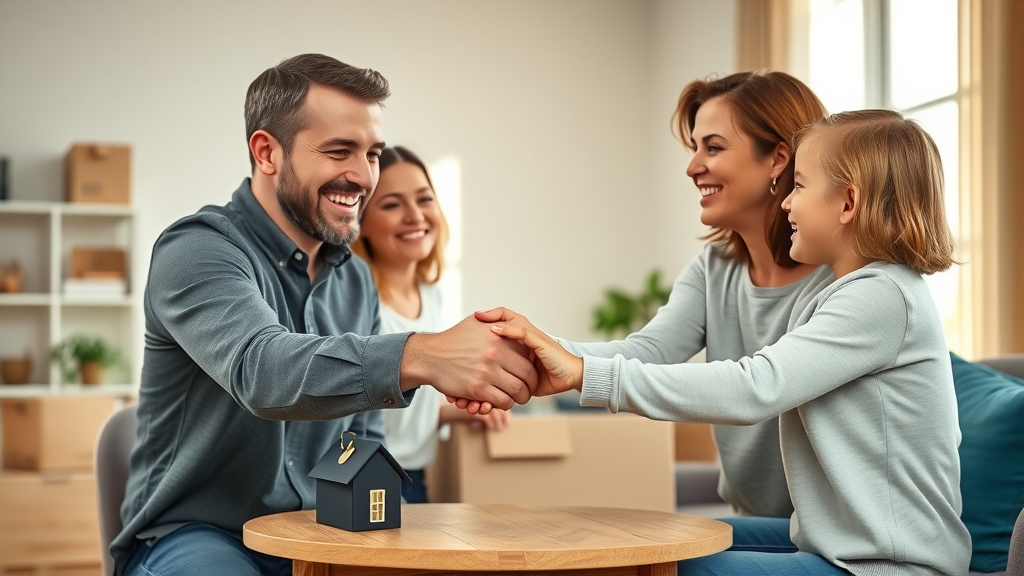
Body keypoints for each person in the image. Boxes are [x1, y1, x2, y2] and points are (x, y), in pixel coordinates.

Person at [486, 109, 971, 575]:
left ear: (847, 203)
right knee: (655, 537)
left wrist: (588, 374)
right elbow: (654, 350)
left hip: (885, 567)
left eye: (799, 186)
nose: (786, 203)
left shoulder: (881, 295)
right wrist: (548, 356)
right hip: (840, 547)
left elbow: (755, 386)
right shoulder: (850, 290)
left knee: (652, 565)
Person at [113, 54, 535, 576]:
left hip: (318, 535)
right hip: (198, 536)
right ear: (267, 152)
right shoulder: (198, 250)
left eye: (372, 153)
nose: (362, 176)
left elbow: (364, 436)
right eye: (340, 151)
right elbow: (263, 370)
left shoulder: (354, 279)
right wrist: (423, 354)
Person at [458, 71, 833, 519]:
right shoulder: (714, 271)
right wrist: (530, 347)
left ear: (777, 159)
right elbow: (649, 351)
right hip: (753, 520)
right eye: (695, 148)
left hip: (821, 535)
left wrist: (575, 370)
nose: (693, 166)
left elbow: (755, 388)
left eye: (713, 147)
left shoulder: (843, 281)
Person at [351, 145, 510, 503]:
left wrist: (457, 414)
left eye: (424, 199)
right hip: (368, 478)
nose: (414, 215)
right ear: (361, 223)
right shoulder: (356, 302)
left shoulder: (432, 295)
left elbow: (403, 402)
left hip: (416, 477)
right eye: (392, 204)